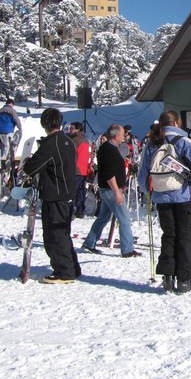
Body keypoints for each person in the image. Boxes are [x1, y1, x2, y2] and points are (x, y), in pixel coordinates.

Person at [138, 110, 191, 294]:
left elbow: (143, 174)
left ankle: (167, 276)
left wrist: (150, 192)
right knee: (185, 237)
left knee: (169, 235)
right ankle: (185, 279)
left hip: (161, 197)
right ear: (177, 123)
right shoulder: (185, 142)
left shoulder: (153, 143)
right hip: (184, 197)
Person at [22, 108, 81, 283]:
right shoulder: (68, 141)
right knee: (63, 233)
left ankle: (64, 271)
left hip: (55, 194)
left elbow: (32, 168)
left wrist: (28, 162)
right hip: (67, 191)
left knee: (55, 235)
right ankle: (72, 267)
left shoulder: (51, 143)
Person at [82, 124, 138, 258]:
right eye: (123, 134)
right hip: (111, 190)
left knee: (103, 217)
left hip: (109, 189)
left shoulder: (110, 148)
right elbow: (109, 174)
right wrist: (117, 192)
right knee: (124, 219)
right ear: (116, 135)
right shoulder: (108, 150)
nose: (124, 136)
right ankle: (127, 249)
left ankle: (90, 242)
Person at [68, 122, 91, 218]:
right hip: (83, 169)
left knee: (72, 191)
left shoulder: (73, 140)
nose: (70, 130)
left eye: (72, 128)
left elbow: (70, 155)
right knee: (81, 191)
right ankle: (80, 210)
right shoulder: (86, 140)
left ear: (78, 129)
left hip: (75, 169)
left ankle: (71, 210)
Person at [0, 99, 22, 163]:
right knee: (8, 146)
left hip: (0, 132)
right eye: (13, 105)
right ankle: (4, 160)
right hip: (9, 131)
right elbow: (17, 120)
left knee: (3, 144)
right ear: (11, 104)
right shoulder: (12, 111)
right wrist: (20, 128)